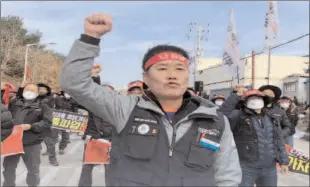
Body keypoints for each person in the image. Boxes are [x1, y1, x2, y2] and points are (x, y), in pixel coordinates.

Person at [60, 13, 241, 186]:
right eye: (162, 69)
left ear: (188, 75)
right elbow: (75, 83)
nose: (172, 76)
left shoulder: (215, 120)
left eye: (179, 69)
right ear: (145, 78)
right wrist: (90, 37)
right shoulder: (125, 109)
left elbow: (227, 175)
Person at [219, 86, 289, 187]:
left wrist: (284, 161)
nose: (255, 101)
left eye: (258, 98)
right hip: (246, 167)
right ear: (245, 102)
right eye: (252, 98)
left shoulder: (272, 118)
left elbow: (279, 140)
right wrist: (236, 96)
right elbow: (221, 115)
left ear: (264, 101)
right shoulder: (238, 116)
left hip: (269, 169)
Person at [2, 83, 52, 187]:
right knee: (8, 169)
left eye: (32, 90)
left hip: (32, 143)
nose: (29, 91)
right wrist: (3, 89)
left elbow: (47, 123)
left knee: (33, 170)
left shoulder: (43, 107)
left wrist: (31, 126)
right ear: (23, 91)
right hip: (12, 142)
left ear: (37, 93)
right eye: (27, 89)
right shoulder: (14, 103)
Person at [78, 72, 114, 187]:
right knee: (87, 167)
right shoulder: (92, 105)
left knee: (111, 169)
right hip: (92, 140)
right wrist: (95, 78)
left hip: (111, 141)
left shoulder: (118, 106)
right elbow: (85, 96)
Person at [37, 83, 59, 166]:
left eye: (43, 89)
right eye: (39, 89)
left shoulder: (50, 97)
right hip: (34, 124)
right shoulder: (34, 98)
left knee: (50, 143)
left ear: (47, 91)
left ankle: (52, 159)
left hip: (45, 124)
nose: (41, 90)